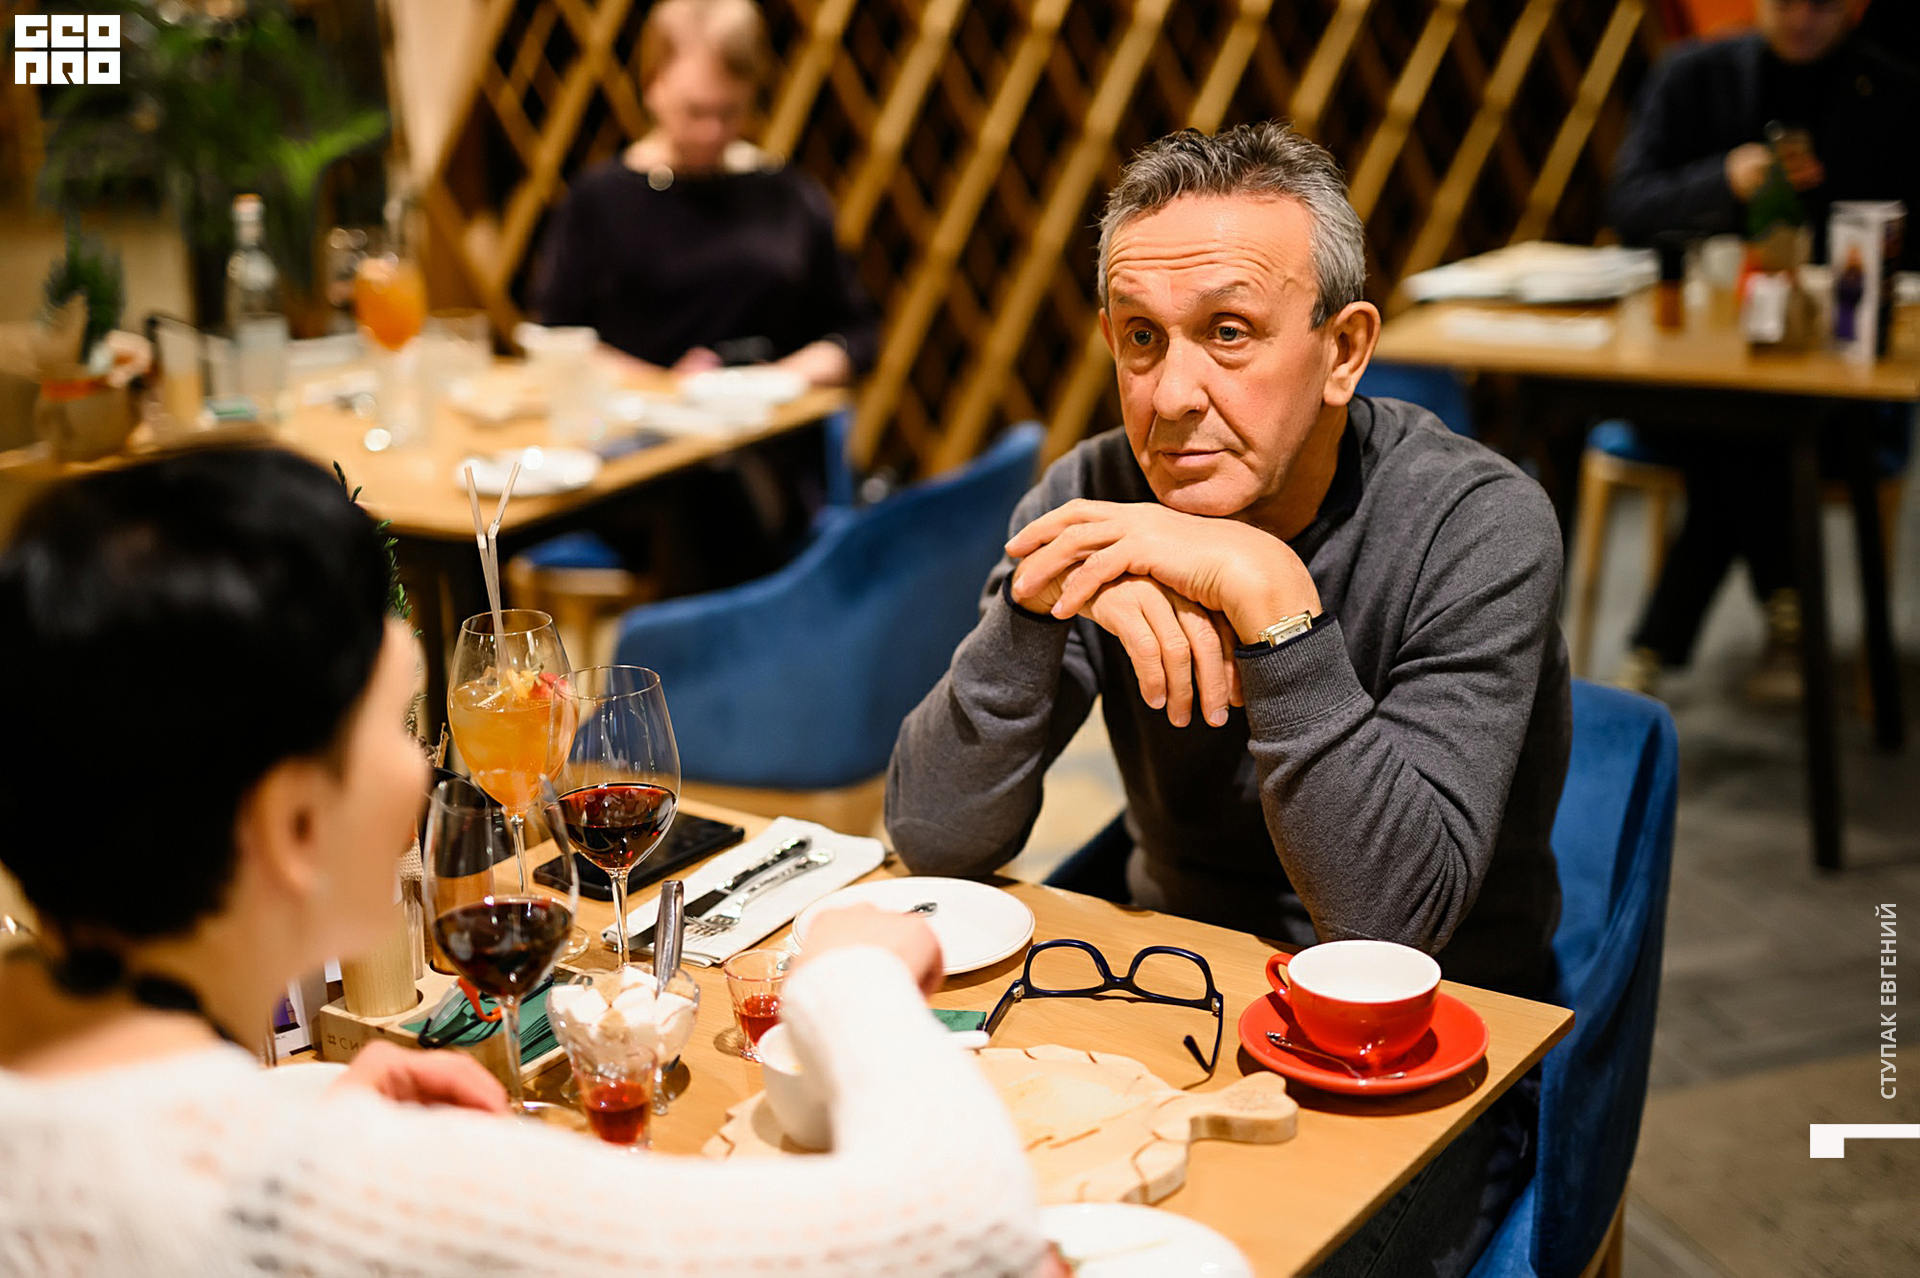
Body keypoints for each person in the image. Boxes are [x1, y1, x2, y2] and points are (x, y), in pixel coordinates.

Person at [0, 448, 1050, 1276]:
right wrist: (853, 980)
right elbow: (967, 1228)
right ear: (292, 826)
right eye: (400, 719)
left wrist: (303, 1101)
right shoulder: (334, 1193)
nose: (425, 766)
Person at [888, 122, 1568, 1277]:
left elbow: (1388, 927)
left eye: (1229, 333)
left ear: (1344, 351)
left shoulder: (1475, 525)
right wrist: (1031, 614)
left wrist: (1271, 601)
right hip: (1168, 999)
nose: (1170, 396)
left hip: (1417, 1059)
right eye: (1141, 338)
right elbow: (936, 840)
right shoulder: (1095, 498)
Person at [1606, 0, 1919, 698]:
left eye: (1822, 5)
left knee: (1751, 430)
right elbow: (1626, 205)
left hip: (1833, 379)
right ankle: (1787, 611)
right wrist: (1723, 179)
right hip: (1693, 369)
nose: (1802, 19)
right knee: (1748, 426)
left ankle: (1656, 644)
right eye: (1785, 2)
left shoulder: (1893, 92)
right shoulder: (1692, 75)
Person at [531, 0, 879, 387]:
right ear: (651, 85)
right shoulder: (599, 200)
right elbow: (556, 340)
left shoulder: (789, 194)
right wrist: (670, 389)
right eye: (695, 111)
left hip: (770, 418)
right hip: (640, 419)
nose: (711, 132)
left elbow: (856, 336)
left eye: (730, 112)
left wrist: (771, 381)